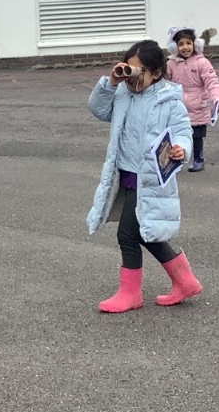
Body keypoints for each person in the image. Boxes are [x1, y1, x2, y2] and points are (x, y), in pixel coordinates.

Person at [86, 40, 201, 313]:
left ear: (157, 73)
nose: (132, 78)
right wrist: (111, 82)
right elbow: (98, 109)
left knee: (128, 234)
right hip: (126, 173)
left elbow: (183, 131)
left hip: (149, 177)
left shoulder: (168, 100)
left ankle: (130, 294)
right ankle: (184, 281)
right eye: (128, 70)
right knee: (147, 233)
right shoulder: (123, 93)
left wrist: (181, 149)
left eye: (138, 72)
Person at [164, 27, 219, 172]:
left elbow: (212, 81)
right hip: (178, 106)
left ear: (195, 44)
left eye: (188, 43)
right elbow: (165, 83)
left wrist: (217, 98)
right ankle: (174, 158)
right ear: (175, 46)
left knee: (197, 136)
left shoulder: (202, 62)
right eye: (181, 44)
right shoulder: (171, 64)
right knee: (176, 134)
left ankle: (198, 158)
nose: (185, 47)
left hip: (198, 106)